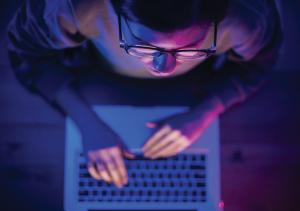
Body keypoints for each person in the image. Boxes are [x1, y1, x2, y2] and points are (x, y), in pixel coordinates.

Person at [7, 0, 283, 188]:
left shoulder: (250, 20)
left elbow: (258, 66)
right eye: (143, 45)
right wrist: (85, 122)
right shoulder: (68, 7)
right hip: (93, 76)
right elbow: (26, 54)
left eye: (190, 47)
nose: (164, 69)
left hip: (194, 87)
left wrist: (206, 111)